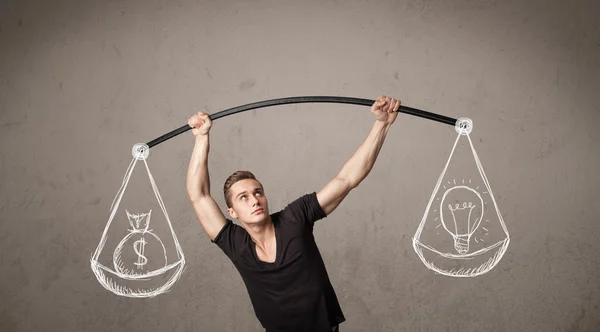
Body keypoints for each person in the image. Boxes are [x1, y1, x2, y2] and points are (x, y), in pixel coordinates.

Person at [186, 95, 401, 332]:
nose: (255, 200)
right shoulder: (235, 243)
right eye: (243, 197)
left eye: (258, 192)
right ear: (232, 211)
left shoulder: (294, 218)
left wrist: (382, 124)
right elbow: (199, 196)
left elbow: (347, 179)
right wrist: (202, 137)